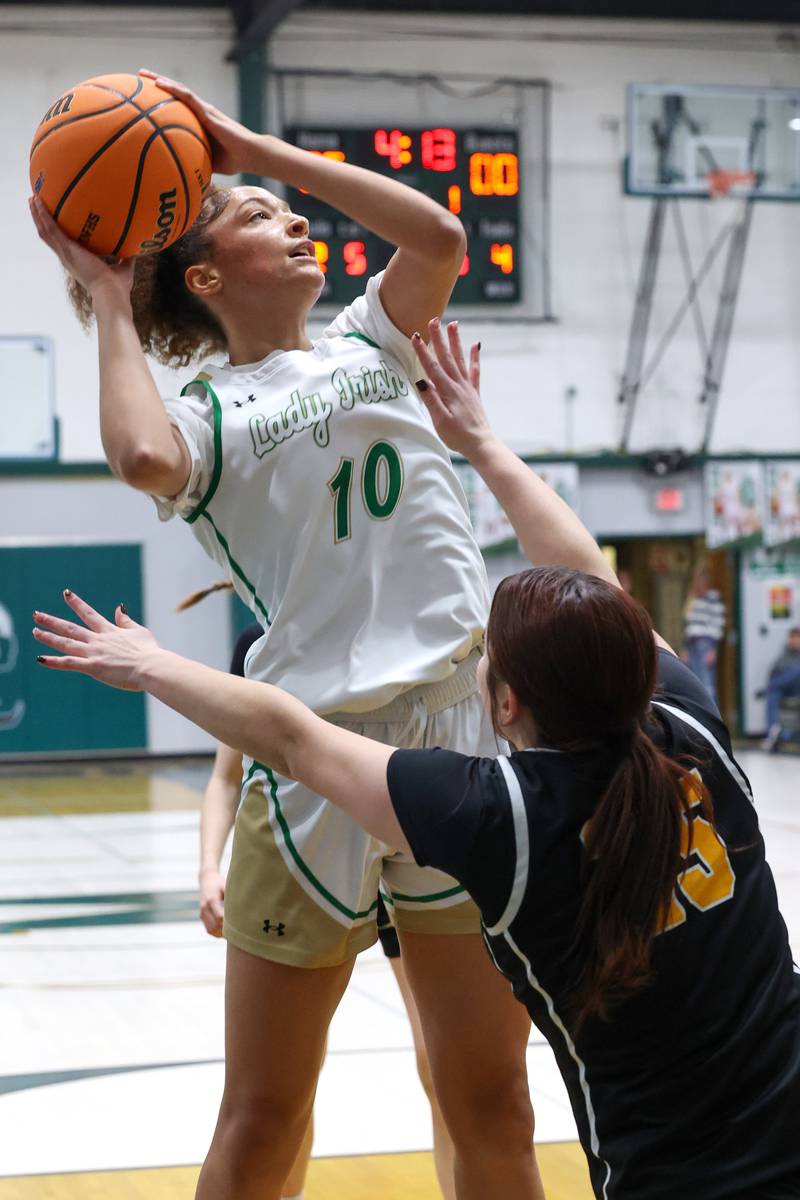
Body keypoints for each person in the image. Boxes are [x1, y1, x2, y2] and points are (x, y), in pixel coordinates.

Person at [34, 321, 800, 1200]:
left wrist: (151, 664)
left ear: (504, 705)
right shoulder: (688, 728)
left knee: (470, 1100)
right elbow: (589, 571)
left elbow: (294, 739)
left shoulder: (503, 819)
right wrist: (478, 439)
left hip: (676, 1181)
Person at [30, 70, 536, 1200]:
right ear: (204, 276)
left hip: (456, 737)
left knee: (488, 1098)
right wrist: (108, 297)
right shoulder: (200, 419)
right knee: (263, 1118)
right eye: (260, 215)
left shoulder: (372, 340)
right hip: (313, 754)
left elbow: (441, 233)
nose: (298, 218)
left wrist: (256, 151)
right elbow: (139, 459)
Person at [198, 615, 456, 1199]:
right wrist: (209, 866)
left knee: (444, 1067)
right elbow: (225, 776)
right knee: (286, 1085)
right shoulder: (260, 649)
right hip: (306, 852)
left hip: (402, 842)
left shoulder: (414, 627)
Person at [681, 567, 726, 706]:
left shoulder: (713, 597)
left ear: (705, 581)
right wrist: (685, 648)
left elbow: (718, 624)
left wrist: (713, 648)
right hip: (692, 644)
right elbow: (687, 624)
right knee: (694, 685)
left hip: (705, 644)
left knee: (707, 686)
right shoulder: (693, 599)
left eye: (699, 581)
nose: (697, 584)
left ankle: (713, 721)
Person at [760, 627, 800, 752]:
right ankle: (775, 733)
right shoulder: (784, 655)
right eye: (792, 638)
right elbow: (774, 670)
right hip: (785, 689)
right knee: (773, 694)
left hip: (797, 688)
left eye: (796, 638)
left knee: (797, 671)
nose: (793, 641)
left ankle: (779, 734)